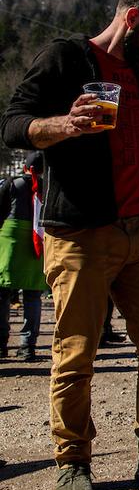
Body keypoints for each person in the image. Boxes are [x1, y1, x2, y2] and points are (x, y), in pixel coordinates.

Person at [0, 0, 139, 490]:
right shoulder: (65, 57)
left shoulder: (138, 72)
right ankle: (71, 462)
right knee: (75, 353)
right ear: (133, 18)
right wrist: (62, 125)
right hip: (81, 234)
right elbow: (12, 124)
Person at [0, 152, 47, 361]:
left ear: (26, 167)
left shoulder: (13, 183)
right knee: (33, 295)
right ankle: (28, 346)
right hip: (38, 239)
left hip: (11, 239)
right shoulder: (48, 188)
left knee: (2, 292)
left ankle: (1, 343)